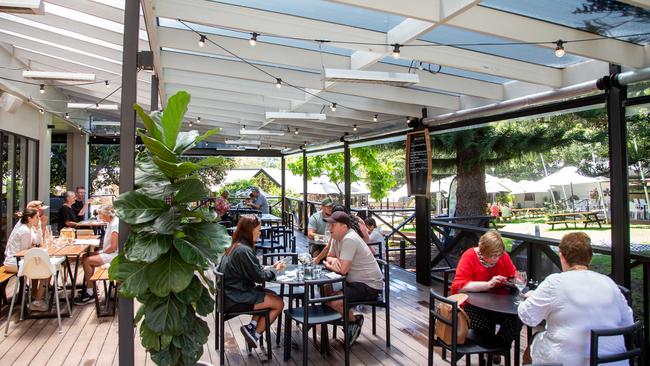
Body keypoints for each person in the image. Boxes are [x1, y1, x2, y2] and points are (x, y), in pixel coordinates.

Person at [518, 232, 633, 366]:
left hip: (568, 361)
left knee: (534, 341)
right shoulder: (608, 282)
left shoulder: (555, 282)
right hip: (614, 361)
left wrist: (531, 298)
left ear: (562, 256)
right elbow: (628, 322)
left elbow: (527, 316)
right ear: (590, 259)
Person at [217, 215, 286, 348]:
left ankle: (252, 326)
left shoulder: (236, 246)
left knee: (268, 293)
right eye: (258, 230)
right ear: (249, 231)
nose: (260, 233)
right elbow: (259, 277)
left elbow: (253, 270)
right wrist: (276, 271)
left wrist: (271, 267)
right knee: (278, 303)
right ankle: (256, 334)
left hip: (228, 294)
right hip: (234, 299)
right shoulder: (244, 250)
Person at [450, 230, 519, 354]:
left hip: (498, 304)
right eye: (493, 255)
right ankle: (489, 352)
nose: (497, 258)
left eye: (499, 254)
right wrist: (488, 284)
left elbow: (514, 275)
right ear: (483, 251)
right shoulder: (470, 256)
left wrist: (512, 281)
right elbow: (460, 286)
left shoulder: (503, 257)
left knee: (517, 318)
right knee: (483, 324)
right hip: (472, 304)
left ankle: (498, 349)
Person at [323, 211, 384, 345]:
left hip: (370, 286)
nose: (329, 228)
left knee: (334, 302)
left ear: (344, 227)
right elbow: (329, 256)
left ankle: (353, 322)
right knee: (326, 292)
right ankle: (350, 323)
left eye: (333, 225)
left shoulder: (349, 239)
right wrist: (332, 261)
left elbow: (343, 270)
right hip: (355, 283)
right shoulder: (336, 237)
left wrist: (328, 264)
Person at [4, 208, 48, 311]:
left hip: (18, 260)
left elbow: (38, 243)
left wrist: (40, 227)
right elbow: (24, 252)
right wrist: (36, 248)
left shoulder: (29, 228)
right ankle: (37, 301)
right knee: (46, 270)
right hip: (13, 262)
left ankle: (36, 296)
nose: (39, 219)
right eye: (37, 217)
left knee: (44, 269)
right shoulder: (24, 231)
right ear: (29, 218)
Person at [74, 205, 119, 305]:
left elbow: (113, 247)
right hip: (111, 252)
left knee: (87, 261)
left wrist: (101, 252)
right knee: (86, 256)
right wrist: (100, 251)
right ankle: (91, 287)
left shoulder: (115, 225)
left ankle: (90, 293)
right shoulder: (112, 222)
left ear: (107, 214)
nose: (99, 216)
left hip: (114, 255)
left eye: (100, 214)